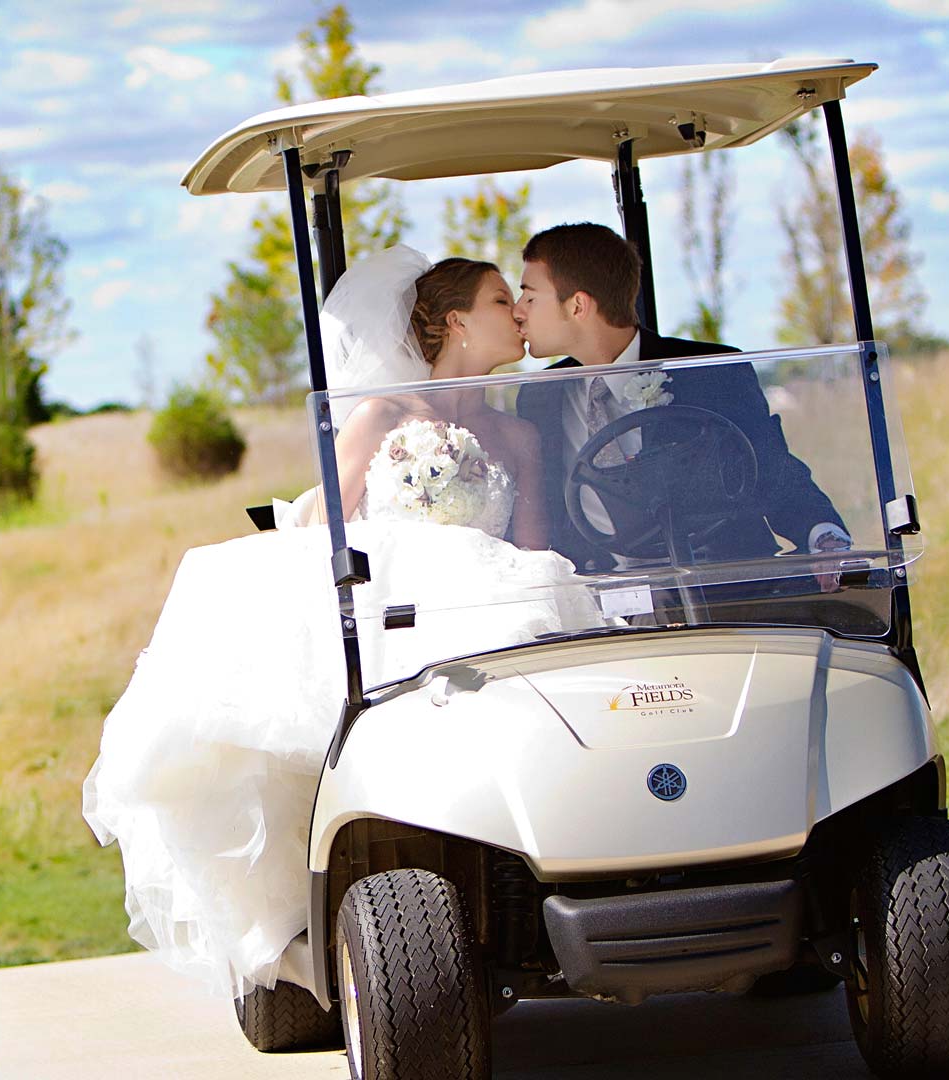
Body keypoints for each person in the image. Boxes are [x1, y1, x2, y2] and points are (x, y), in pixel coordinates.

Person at [82, 246, 604, 1000]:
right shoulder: (383, 416)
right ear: (457, 320)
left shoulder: (518, 438)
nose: (519, 315)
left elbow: (531, 551)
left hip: (484, 604)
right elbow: (321, 535)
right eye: (502, 301)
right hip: (401, 606)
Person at [511, 223, 850, 573]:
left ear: (578, 305)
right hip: (604, 605)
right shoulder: (540, 397)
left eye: (530, 297)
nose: (518, 311)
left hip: (724, 592)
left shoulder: (710, 372)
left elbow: (770, 471)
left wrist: (823, 535)